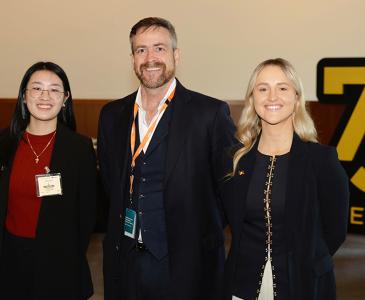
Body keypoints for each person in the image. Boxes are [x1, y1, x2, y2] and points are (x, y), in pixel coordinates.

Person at [98, 17, 235, 300]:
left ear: (176, 55)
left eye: (159, 48)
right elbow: (111, 184)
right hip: (126, 262)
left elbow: (228, 190)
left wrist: (197, 234)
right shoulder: (112, 116)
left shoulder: (209, 114)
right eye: (141, 50)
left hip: (186, 265)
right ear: (133, 59)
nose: (150, 58)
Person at [220, 58, 349, 300]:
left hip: (303, 286)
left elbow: (336, 231)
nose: (272, 97)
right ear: (252, 100)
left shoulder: (322, 160)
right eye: (262, 88)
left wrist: (305, 260)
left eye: (282, 87)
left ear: (297, 98)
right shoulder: (236, 160)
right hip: (241, 287)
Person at [0, 62, 97, 300]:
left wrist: (68, 254)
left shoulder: (79, 148)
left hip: (59, 261)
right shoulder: (4, 143)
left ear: (65, 98)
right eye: (37, 88)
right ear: (24, 96)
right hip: (9, 258)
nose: (45, 96)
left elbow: (87, 213)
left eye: (54, 89)